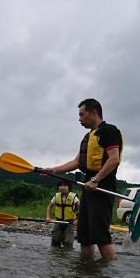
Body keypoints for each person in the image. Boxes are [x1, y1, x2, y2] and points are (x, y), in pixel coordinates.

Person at [42, 99, 123, 260]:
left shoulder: (109, 131)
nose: (79, 119)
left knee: (100, 234)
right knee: (84, 235)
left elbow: (114, 159)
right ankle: (86, 273)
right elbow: (76, 162)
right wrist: (54, 170)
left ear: (94, 112)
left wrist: (96, 179)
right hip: (88, 185)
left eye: (82, 114)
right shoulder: (88, 136)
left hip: (102, 185)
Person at [45, 179, 79, 248]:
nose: (62, 187)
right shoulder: (56, 196)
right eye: (60, 185)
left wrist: (77, 219)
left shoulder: (74, 197)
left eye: (65, 185)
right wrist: (48, 217)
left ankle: (66, 257)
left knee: (68, 242)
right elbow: (49, 207)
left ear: (69, 187)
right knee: (55, 241)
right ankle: (57, 256)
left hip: (70, 222)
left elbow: (81, 209)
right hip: (58, 221)